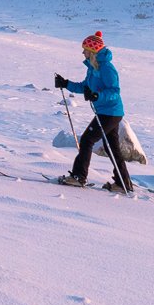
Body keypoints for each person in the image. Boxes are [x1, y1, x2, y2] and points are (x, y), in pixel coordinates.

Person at [55, 30, 132, 192]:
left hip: (110, 113)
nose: (83, 52)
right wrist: (66, 83)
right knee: (112, 147)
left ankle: (79, 177)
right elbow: (85, 87)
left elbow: (114, 92)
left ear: (92, 51)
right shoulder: (93, 67)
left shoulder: (107, 68)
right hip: (107, 112)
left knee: (87, 140)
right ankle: (123, 184)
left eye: (85, 50)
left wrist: (97, 96)